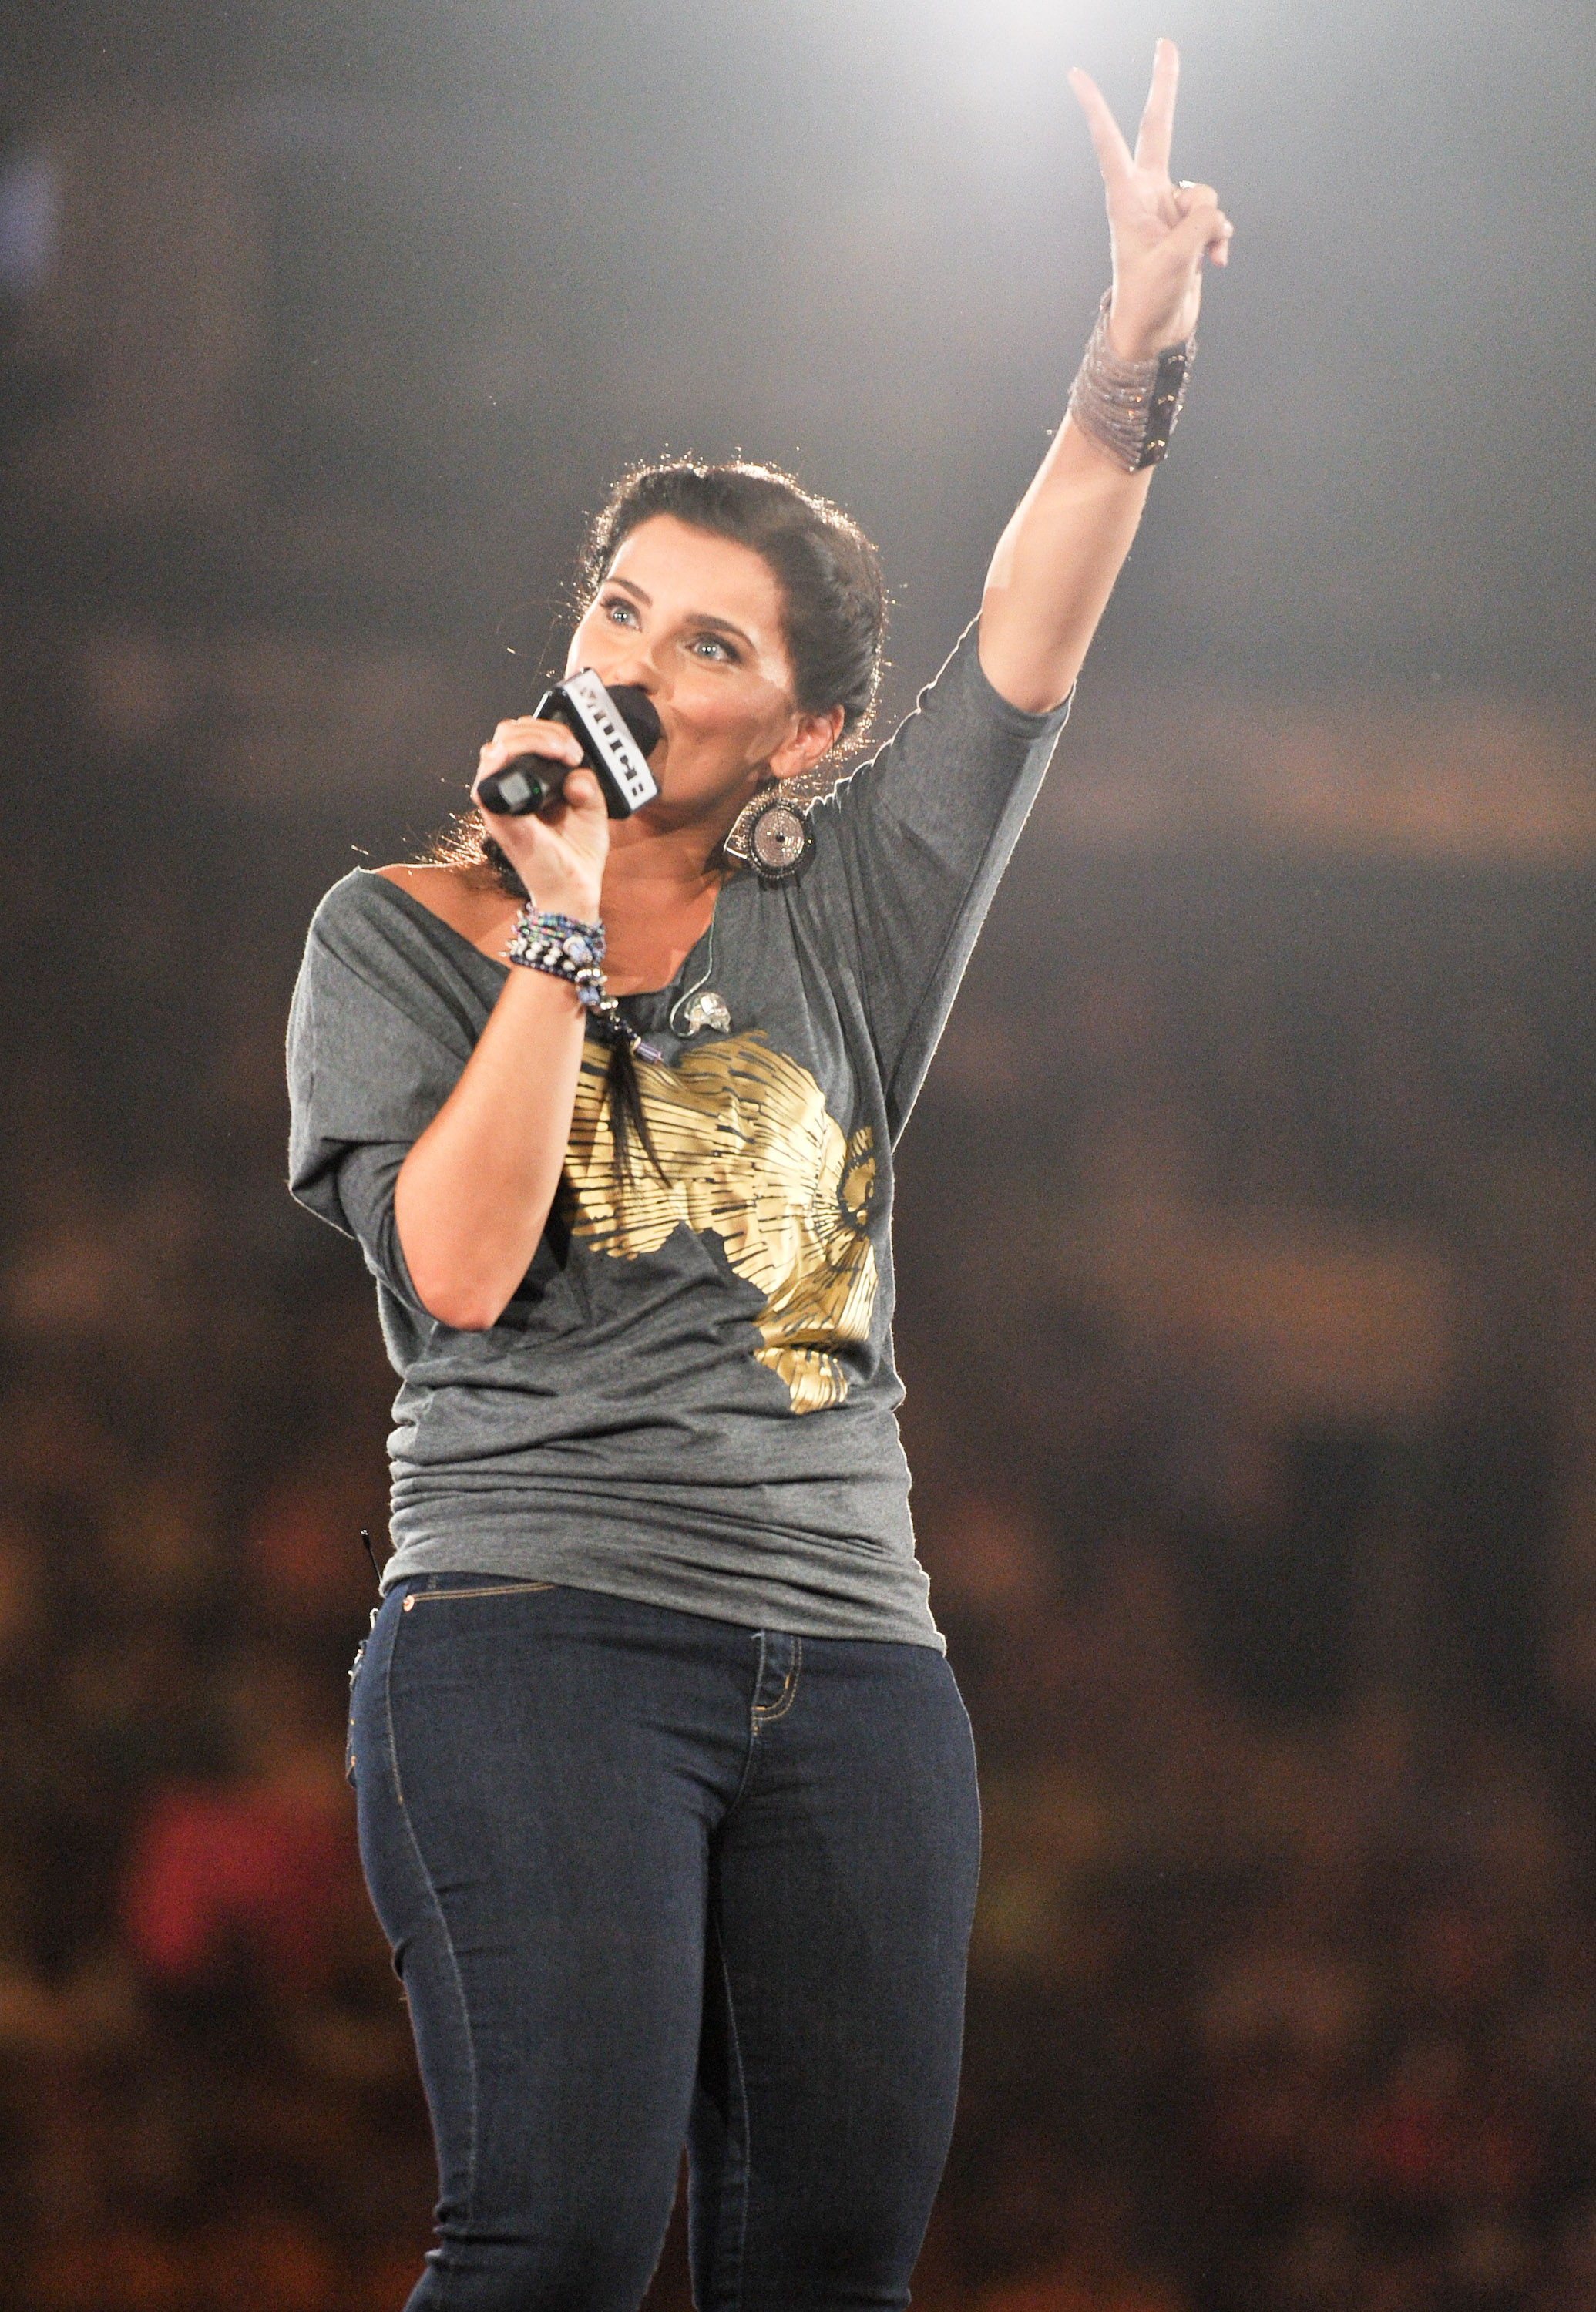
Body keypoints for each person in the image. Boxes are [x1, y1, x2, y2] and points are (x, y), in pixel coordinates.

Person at [287, 41, 1229, 2312]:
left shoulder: (860, 915)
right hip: (534, 1636)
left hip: (858, 1666)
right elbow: (469, 1259)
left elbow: (1036, 629)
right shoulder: (396, 935)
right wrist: (554, 910)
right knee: (562, 2240)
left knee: (827, 2271)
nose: (638, 659)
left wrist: (1126, 364)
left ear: (806, 737)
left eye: (711, 642)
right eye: (621, 607)